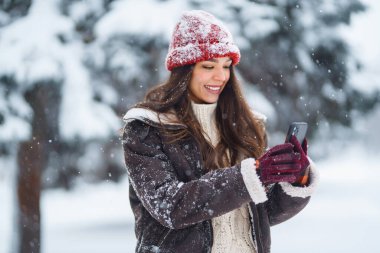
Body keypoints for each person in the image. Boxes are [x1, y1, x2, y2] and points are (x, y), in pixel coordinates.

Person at [122, 10, 318, 253]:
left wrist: (294, 179)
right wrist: (251, 177)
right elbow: (169, 206)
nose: (221, 76)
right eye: (208, 65)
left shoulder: (247, 125)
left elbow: (261, 214)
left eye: (227, 66)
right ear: (184, 70)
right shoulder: (146, 128)